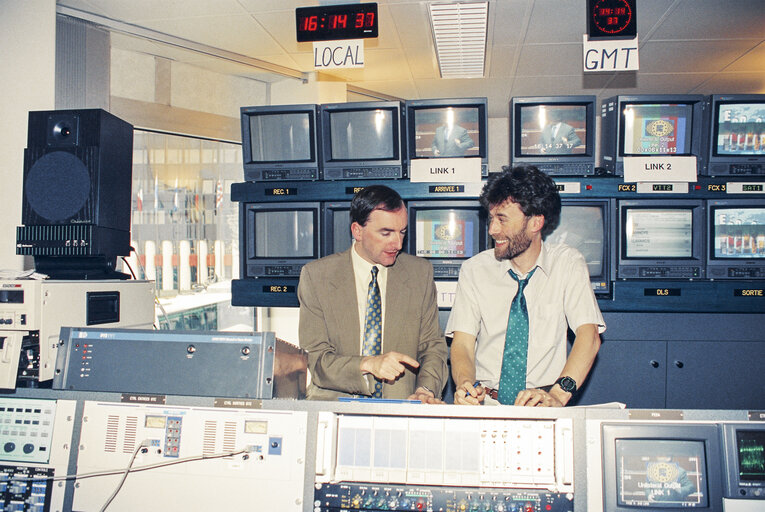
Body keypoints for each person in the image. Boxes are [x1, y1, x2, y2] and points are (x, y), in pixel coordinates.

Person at [448, 165, 604, 407]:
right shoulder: (474, 270)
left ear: (535, 222)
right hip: (485, 405)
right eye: (491, 218)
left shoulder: (568, 264)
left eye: (502, 219)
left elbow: (589, 336)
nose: (492, 230)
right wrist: (466, 385)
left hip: (542, 403)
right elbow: (463, 343)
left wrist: (558, 395)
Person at [298, 185, 448, 403]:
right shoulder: (317, 276)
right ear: (357, 231)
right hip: (334, 407)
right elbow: (316, 359)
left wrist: (425, 390)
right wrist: (368, 364)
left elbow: (432, 346)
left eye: (402, 232)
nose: (397, 243)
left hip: (402, 406)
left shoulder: (419, 274)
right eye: (386, 233)